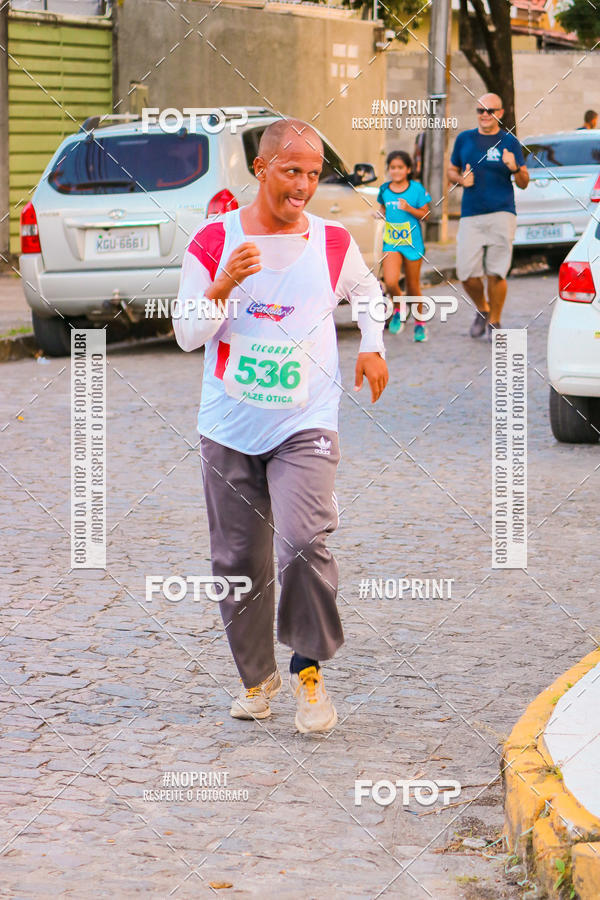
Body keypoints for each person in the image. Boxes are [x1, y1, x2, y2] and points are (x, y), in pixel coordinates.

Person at [173, 119, 388, 733]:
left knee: (304, 542)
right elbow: (188, 334)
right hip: (230, 423)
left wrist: (373, 343)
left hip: (306, 420)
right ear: (262, 169)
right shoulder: (215, 240)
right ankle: (256, 678)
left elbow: (368, 291)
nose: (303, 186)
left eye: (314, 174)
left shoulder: (333, 241)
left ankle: (307, 667)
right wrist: (224, 284)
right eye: (292, 171)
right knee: (238, 560)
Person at [448, 93, 529, 341]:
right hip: (471, 214)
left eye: (490, 111)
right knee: (465, 272)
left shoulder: (510, 141)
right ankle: (482, 309)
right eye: (480, 110)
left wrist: (514, 168)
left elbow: (524, 182)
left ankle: (494, 320)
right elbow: (451, 170)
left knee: (496, 273)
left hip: (502, 212)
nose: (484, 115)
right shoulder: (465, 139)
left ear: (500, 114)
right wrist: (461, 180)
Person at [376, 150, 431, 342]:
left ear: (408, 169)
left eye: (400, 167)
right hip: (391, 242)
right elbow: (383, 209)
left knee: (413, 286)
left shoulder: (416, 189)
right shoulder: (384, 189)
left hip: (412, 244)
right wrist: (379, 215)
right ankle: (399, 309)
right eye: (392, 168)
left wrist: (409, 209)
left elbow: (426, 215)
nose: (396, 171)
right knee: (390, 281)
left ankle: (420, 324)